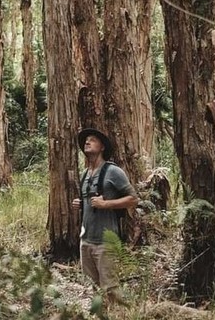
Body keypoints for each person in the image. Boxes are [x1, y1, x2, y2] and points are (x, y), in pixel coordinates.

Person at [71, 128, 138, 307]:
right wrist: (81, 203)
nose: (87, 142)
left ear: (102, 147)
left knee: (111, 290)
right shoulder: (85, 174)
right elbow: (90, 202)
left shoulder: (113, 171)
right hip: (86, 242)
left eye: (92, 140)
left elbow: (133, 199)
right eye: (86, 140)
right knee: (94, 290)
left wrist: (106, 204)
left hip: (106, 242)